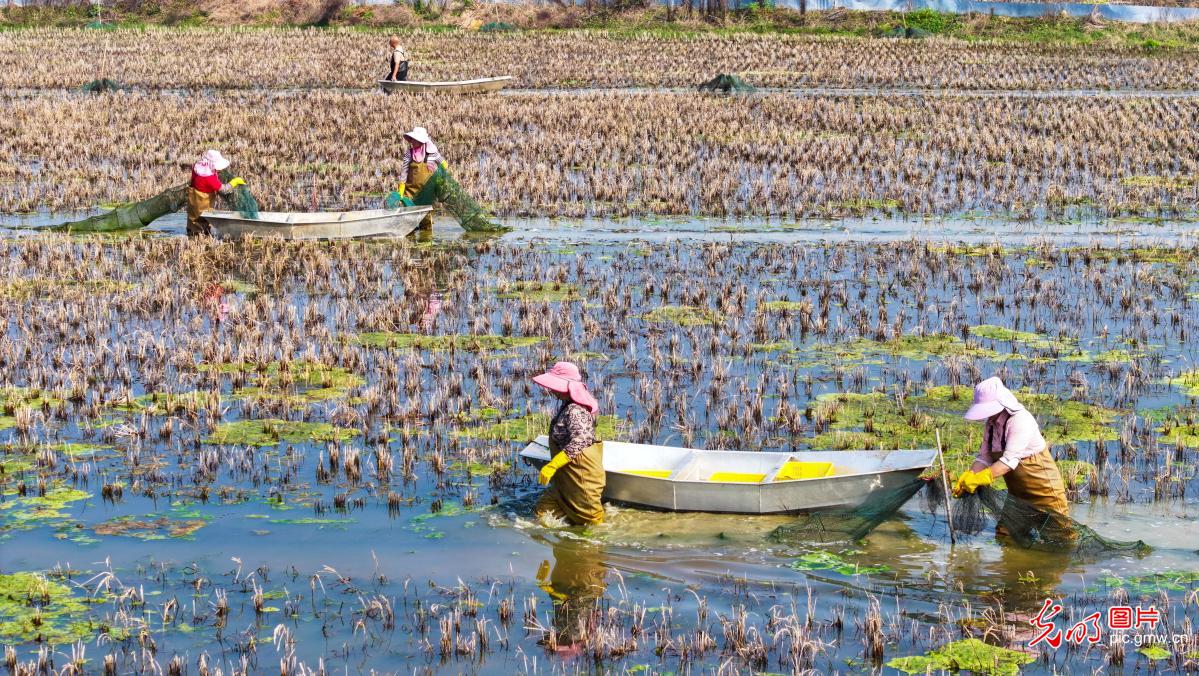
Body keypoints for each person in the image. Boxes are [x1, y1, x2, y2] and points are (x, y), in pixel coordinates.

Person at [953, 377, 1069, 519]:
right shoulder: (991, 424)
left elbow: (1008, 462)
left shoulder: (1020, 420)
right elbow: (985, 457)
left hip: (1045, 493)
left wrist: (981, 478)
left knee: (1060, 537)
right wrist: (970, 475)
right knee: (1005, 536)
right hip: (1017, 496)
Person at [532, 362, 605, 526]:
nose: (551, 389)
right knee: (544, 512)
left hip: (581, 479)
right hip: (565, 479)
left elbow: (582, 439)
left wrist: (553, 465)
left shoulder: (575, 410)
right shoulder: (567, 406)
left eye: (554, 385)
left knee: (592, 524)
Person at [396, 127, 446, 231]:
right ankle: (409, 243)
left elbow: (444, 165)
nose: (413, 142)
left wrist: (440, 179)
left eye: (416, 140)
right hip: (410, 192)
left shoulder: (433, 153)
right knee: (408, 222)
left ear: (422, 141)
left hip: (426, 194)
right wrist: (401, 189)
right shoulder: (409, 153)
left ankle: (426, 244)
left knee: (426, 225)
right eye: (413, 139)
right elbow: (404, 172)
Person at [186, 150, 243, 237]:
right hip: (203, 200)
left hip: (194, 197)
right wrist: (234, 182)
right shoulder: (209, 178)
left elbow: (194, 181)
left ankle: (191, 232)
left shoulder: (197, 167)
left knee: (193, 218)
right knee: (202, 220)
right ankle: (200, 236)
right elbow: (224, 189)